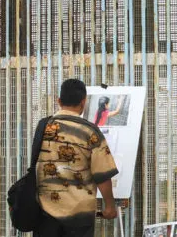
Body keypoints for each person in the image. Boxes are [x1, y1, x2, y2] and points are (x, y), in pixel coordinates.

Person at [35, 79, 119, 237]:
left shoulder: (43, 127)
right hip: (79, 214)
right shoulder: (89, 131)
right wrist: (109, 206)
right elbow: (102, 174)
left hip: (45, 212)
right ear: (83, 102)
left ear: (59, 101)